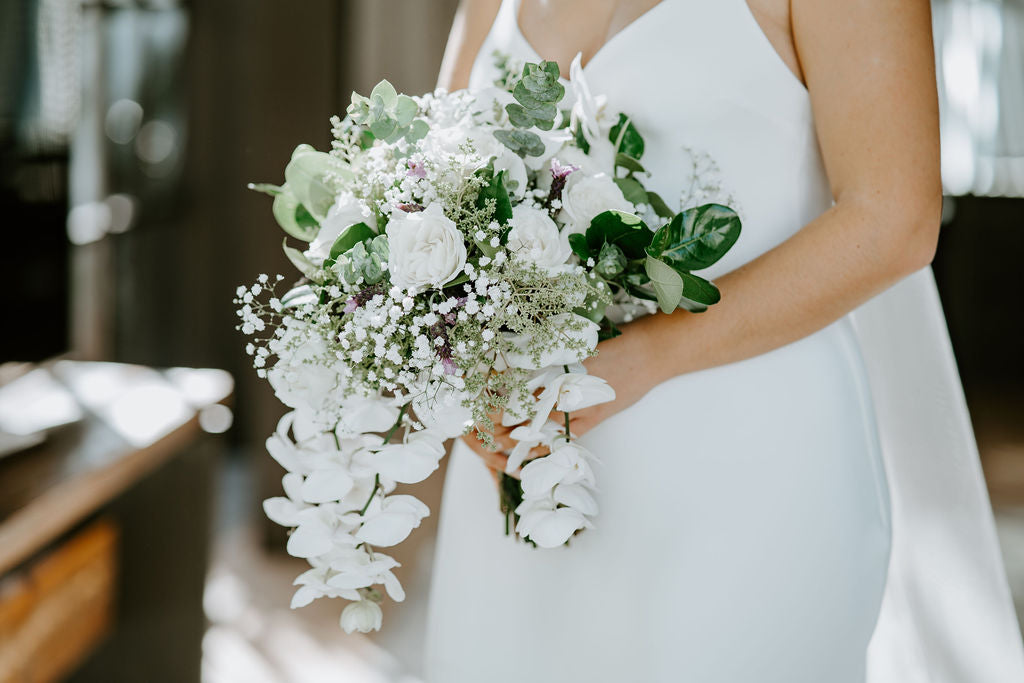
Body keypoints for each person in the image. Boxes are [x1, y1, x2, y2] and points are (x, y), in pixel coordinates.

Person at [425, 1, 1024, 681]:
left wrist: (645, 354)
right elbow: (434, 173)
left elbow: (894, 219)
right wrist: (459, 372)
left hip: (742, 455)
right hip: (517, 468)